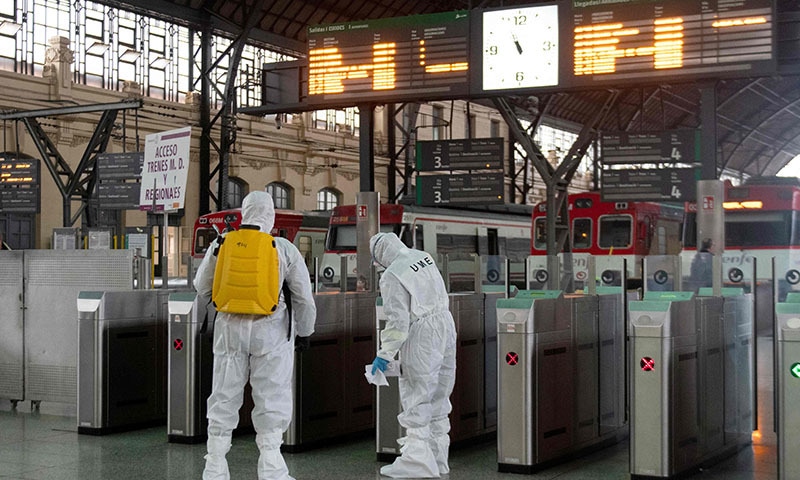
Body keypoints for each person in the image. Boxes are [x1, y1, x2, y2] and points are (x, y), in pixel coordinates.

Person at [194, 191, 316, 480]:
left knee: (224, 394)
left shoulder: (221, 242)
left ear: (244, 213)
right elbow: (303, 297)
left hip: (229, 330)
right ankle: (272, 469)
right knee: (271, 397)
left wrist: (223, 304)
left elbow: (201, 286)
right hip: (271, 331)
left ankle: (214, 466)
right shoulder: (282, 247)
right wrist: (306, 332)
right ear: (270, 214)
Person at [369, 232, 457, 478]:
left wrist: (384, 354)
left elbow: (398, 321)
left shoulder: (392, 274)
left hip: (423, 334)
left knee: (418, 394)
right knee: (440, 395)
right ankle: (438, 461)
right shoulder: (423, 256)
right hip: (446, 325)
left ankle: (417, 465)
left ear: (381, 255)